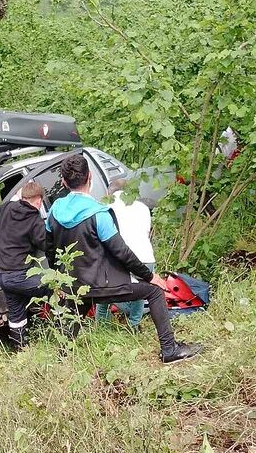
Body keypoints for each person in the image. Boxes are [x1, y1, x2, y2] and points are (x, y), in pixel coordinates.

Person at [46, 155, 201, 364]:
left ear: (63, 182)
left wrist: (59, 281)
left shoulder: (54, 212)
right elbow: (120, 251)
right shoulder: (98, 213)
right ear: (90, 177)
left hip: (76, 286)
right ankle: (169, 349)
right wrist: (149, 276)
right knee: (154, 291)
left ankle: (61, 357)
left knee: (78, 304)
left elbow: (50, 250)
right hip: (104, 284)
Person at [0, 182, 48, 349]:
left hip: (3, 276)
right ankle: (64, 331)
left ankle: (20, 348)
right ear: (39, 200)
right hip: (21, 276)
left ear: (22, 197)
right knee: (54, 289)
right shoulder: (35, 220)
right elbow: (46, 245)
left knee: (16, 312)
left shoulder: (8, 208)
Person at [95, 178, 155, 329]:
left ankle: (102, 327)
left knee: (104, 295)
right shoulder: (143, 208)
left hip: (118, 259)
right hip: (145, 258)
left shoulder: (104, 209)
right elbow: (146, 234)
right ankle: (134, 325)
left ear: (110, 193)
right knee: (140, 293)